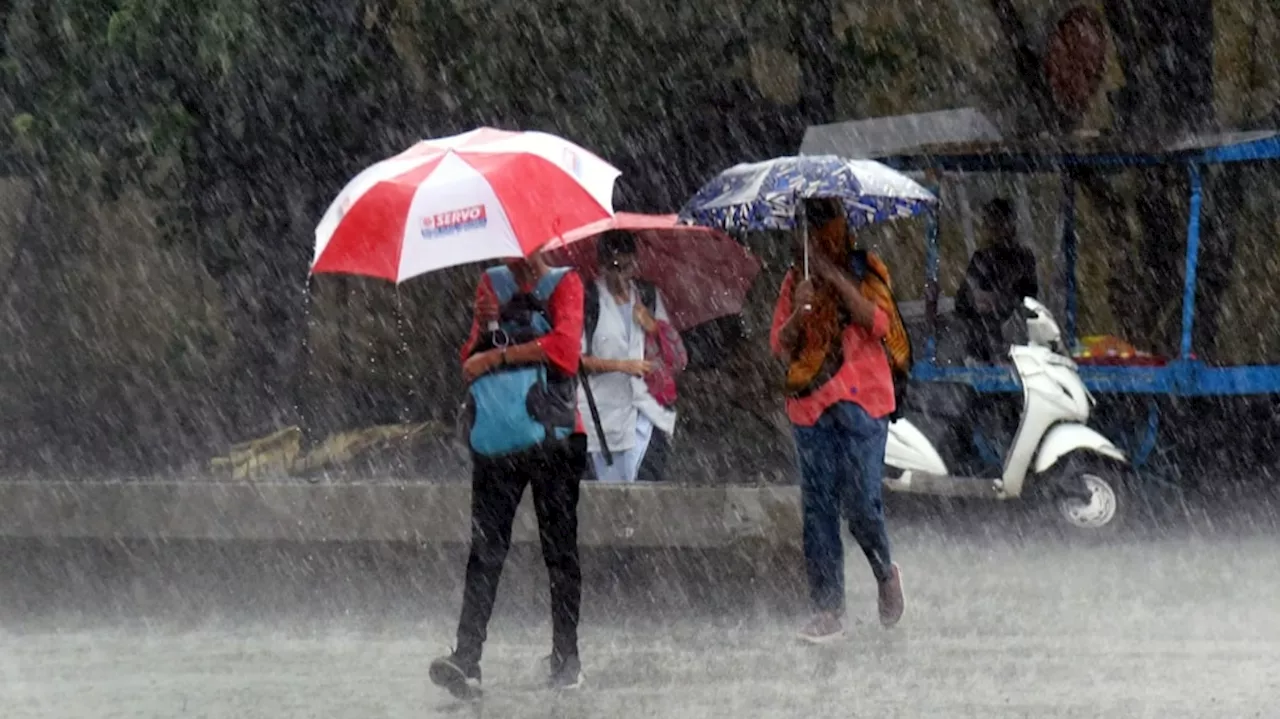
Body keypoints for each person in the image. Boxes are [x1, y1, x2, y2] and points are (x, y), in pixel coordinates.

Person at [430, 251, 587, 699]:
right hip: (497, 439)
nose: (515, 254)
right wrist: (484, 328)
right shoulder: (490, 285)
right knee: (485, 549)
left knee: (560, 551)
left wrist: (499, 357)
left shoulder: (564, 284)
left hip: (552, 438)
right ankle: (467, 657)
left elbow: (566, 351)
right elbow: (469, 360)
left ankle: (566, 655)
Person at [770, 197, 906, 644]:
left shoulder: (867, 269)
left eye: (827, 220)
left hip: (864, 402)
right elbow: (782, 346)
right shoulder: (795, 280)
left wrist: (833, 276)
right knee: (818, 510)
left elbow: (878, 323)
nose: (819, 232)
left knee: (863, 505)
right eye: (811, 223)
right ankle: (828, 608)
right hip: (810, 406)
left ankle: (884, 570)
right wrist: (799, 311)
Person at [579, 231, 687, 483]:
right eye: (614, 267)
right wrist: (621, 366)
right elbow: (575, 360)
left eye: (628, 267)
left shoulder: (647, 296)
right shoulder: (588, 299)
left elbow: (676, 357)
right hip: (601, 415)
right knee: (602, 498)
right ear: (601, 266)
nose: (622, 275)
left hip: (646, 411)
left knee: (647, 490)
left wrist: (653, 326)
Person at [955, 198, 1040, 362]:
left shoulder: (1023, 258)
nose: (992, 229)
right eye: (989, 224)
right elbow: (961, 302)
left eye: (998, 223)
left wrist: (1002, 300)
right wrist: (975, 300)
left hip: (1013, 345)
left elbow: (1028, 298)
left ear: (1010, 225)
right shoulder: (981, 258)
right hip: (980, 345)